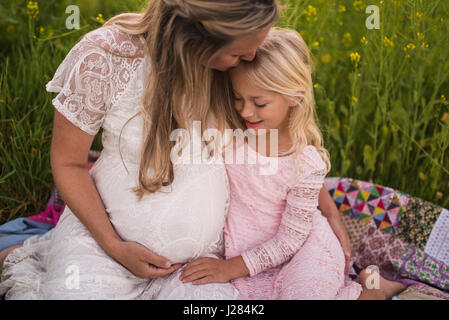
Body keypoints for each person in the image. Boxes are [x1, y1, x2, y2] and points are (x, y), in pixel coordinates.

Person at [179, 28, 407, 300]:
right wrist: (333, 212)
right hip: (255, 252)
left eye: (259, 103)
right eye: (238, 98)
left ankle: (375, 290)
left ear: (295, 97)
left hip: (304, 246)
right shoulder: (236, 134)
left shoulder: (304, 162)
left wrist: (229, 268)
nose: (245, 111)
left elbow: (289, 240)